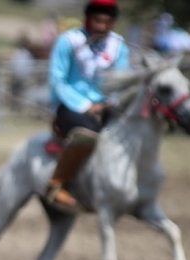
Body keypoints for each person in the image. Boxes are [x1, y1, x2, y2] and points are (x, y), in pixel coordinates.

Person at [46, 0, 129, 212]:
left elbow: (122, 81)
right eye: (97, 21)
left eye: (107, 22)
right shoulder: (68, 40)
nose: (102, 27)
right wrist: (85, 105)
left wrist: (110, 101)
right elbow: (57, 81)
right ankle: (56, 184)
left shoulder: (118, 45)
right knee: (87, 133)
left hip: (107, 106)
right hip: (71, 107)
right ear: (87, 19)